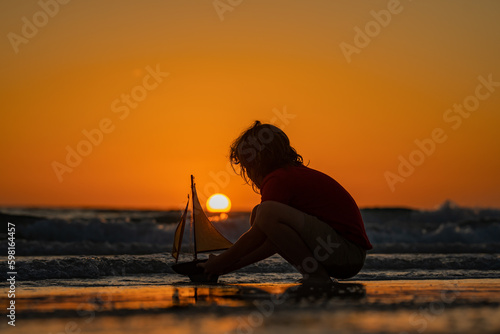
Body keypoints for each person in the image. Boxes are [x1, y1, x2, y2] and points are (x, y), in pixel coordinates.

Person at [199, 121, 372, 286]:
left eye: (247, 166)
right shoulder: (289, 176)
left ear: (259, 161)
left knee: (265, 212)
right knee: (260, 214)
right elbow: (273, 241)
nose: (248, 174)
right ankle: (316, 275)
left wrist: (222, 260)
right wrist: (224, 267)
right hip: (345, 256)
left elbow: (256, 236)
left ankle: (316, 276)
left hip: (346, 252)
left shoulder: (279, 179)